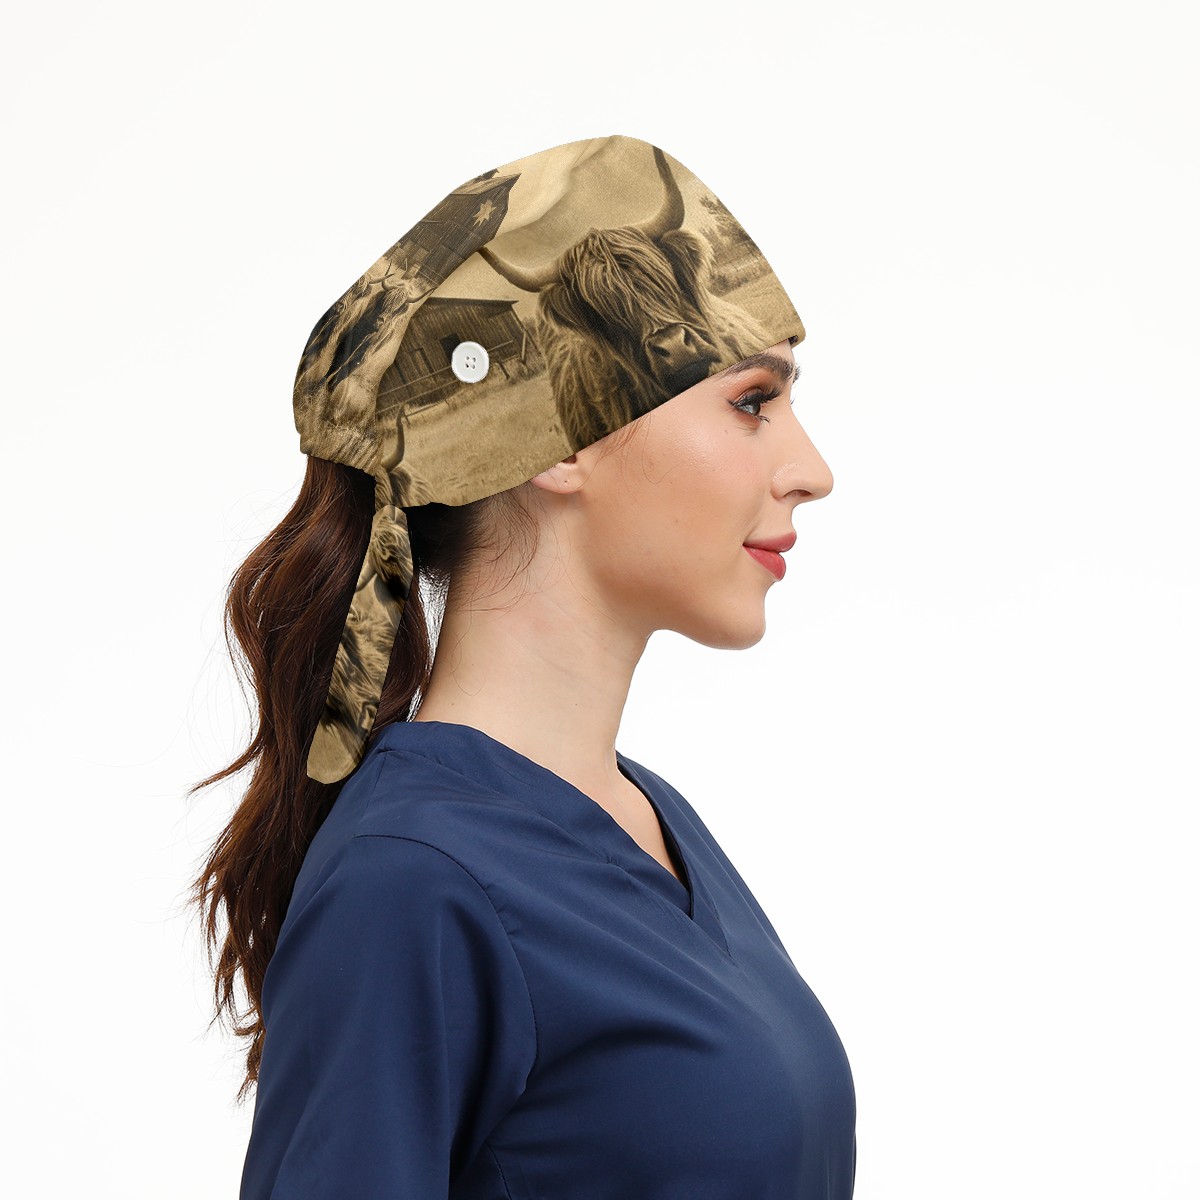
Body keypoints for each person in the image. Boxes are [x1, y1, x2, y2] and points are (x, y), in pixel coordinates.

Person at [190, 134, 857, 1198]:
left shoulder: (647, 819)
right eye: (751, 401)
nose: (810, 469)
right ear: (561, 438)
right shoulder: (413, 880)